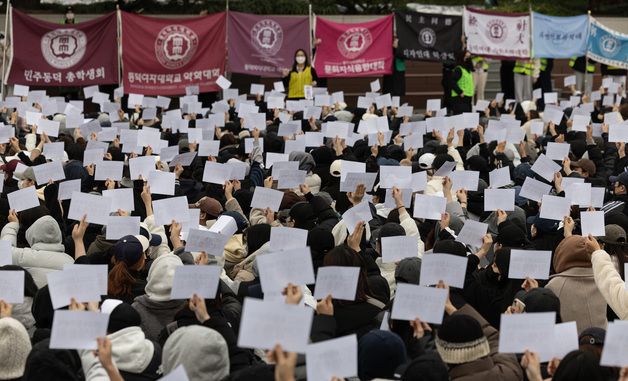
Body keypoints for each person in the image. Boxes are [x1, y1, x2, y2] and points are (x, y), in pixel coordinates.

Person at [449, 50, 475, 115]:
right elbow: (452, 82)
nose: (468, 59)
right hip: (460, 98)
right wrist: (460, 92)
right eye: (466, 57)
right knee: (460, 120)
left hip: (467, 98)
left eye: (469, 57)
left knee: (467, 120)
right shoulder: (459, 69)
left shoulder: (468, 71)